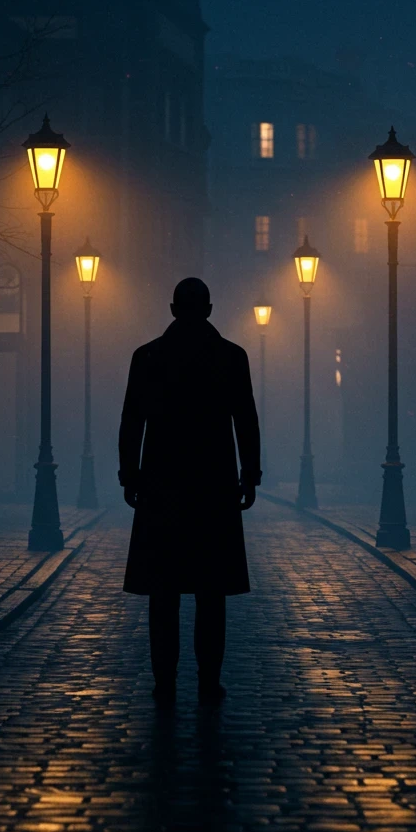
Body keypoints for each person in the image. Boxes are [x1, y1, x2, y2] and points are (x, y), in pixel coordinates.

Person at [119, 277, 261, 705]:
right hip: (213, 487)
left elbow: (132, 422)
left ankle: (164, 678)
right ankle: (208, 677)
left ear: (172, 308)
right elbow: (246, 421)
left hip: (162, 486)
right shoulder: (232, 357)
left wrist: (131, 475)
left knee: (163, 593)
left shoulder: (147, 358)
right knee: (210, 592)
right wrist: (249, 474)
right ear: (211, 309)